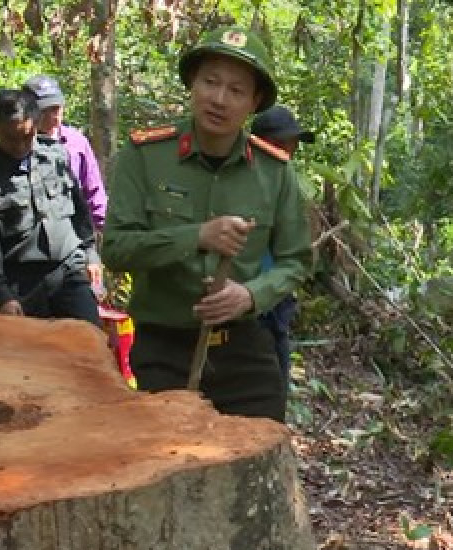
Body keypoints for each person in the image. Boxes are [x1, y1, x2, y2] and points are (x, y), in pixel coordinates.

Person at [101, 26, 312, 422]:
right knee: (166, 464)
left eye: (236, 90)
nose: (219, 99)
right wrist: (196, 236)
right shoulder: (146, 155)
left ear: (254, 103)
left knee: (258, 458)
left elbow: (296, 260)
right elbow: (115, 248)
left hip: (243, 349)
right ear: (191, 85)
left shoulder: (273, 171)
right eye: (210, 82)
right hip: (164, 348)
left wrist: (250, 295)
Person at [0, 88, 102, 326]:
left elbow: (79, 210)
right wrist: (1, 295)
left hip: (68, 268)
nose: (20, 146)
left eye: (27, 136)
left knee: (90, 342)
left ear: (36, 126)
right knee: (31, 358)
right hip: (21, 283)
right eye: (10, 139)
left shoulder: (55, 154)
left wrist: (91, 254)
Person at [250, 104, 316, 388]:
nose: (286, 156)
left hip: (277, 298)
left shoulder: (286, 185)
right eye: (280, 147)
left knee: (277, 376)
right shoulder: (240, 181)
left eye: (291, 150)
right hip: (247, 301)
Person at [21, 75, 108, 230]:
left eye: (57, 109)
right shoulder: (18, 145)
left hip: (75, 237)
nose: (54, 116)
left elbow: (94, 193)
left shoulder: (76, 143)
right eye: (46, 110)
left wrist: (106, 231)